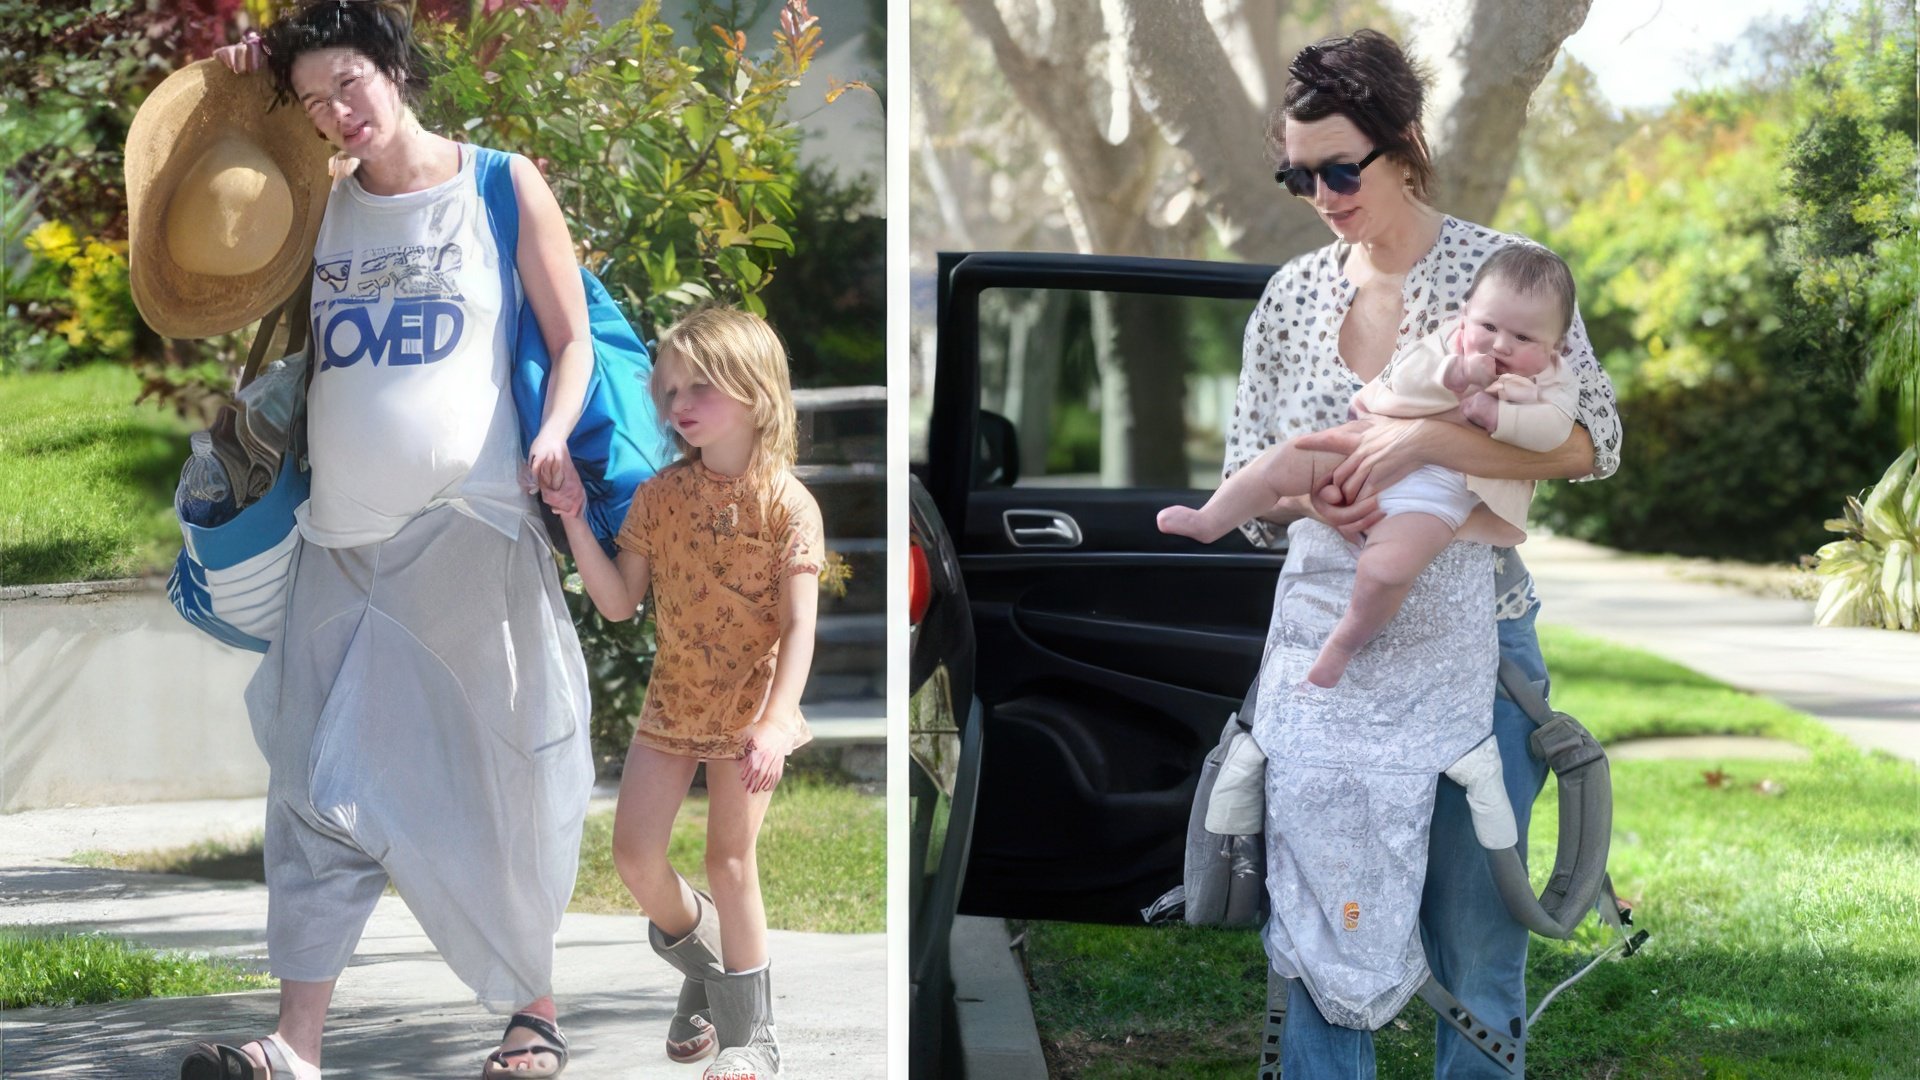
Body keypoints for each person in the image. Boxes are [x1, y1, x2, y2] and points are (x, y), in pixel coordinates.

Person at [181, 3, 597, 1077]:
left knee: (494, 774)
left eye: (350, 84)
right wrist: (235, 91)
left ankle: (532, 1012)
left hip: (469, 530)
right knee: (311, 784)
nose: (337, 114)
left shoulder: (500, 185)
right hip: (340, 540)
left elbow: (572, 340)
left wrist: (552, 433)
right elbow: (214, 234)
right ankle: (295, 1045)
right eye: (315, 100)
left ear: (397, 68)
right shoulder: (316, 202)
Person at [1220, 29, 1622, 1079]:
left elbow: (1594, 444)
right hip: (1329, 671)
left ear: (1404, 148)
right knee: (1316, 943)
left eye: (1340, 168)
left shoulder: (1504, 276)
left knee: (1473, 946)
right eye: (1298, 173)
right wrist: (1314, 502)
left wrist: (1428, 441)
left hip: (1476, 656)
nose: (1320, 192)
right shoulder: (1289, 300)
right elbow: (1245, 476)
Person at [546, 305, 822, 1080]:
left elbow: (800, 627)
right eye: (671, 390)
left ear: (756, 391)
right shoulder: (660, 497)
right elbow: (617, 602)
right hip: (672, 702)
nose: (679, 405)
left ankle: (751, 1040)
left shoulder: (789, 506)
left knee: (730, 860)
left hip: (748, 712)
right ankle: (707, 971)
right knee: (634, 857)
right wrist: (572, 518)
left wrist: (775, 722)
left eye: (701, 387)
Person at [1158, 244, 1581, 687]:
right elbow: (1401, 383)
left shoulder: (1553, 381)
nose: (1500, 344)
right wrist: (1451, 377)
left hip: (1441, 489)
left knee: (1389, 568)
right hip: (1366, 442)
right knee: (1287, 459)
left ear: (1559, 345)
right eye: (1488, 326)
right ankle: (1211, 519)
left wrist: (1501, 417)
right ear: (1467, 311)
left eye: (1524, 338)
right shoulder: (1444, 343)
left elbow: (1553, 431)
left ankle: (1344, 643)